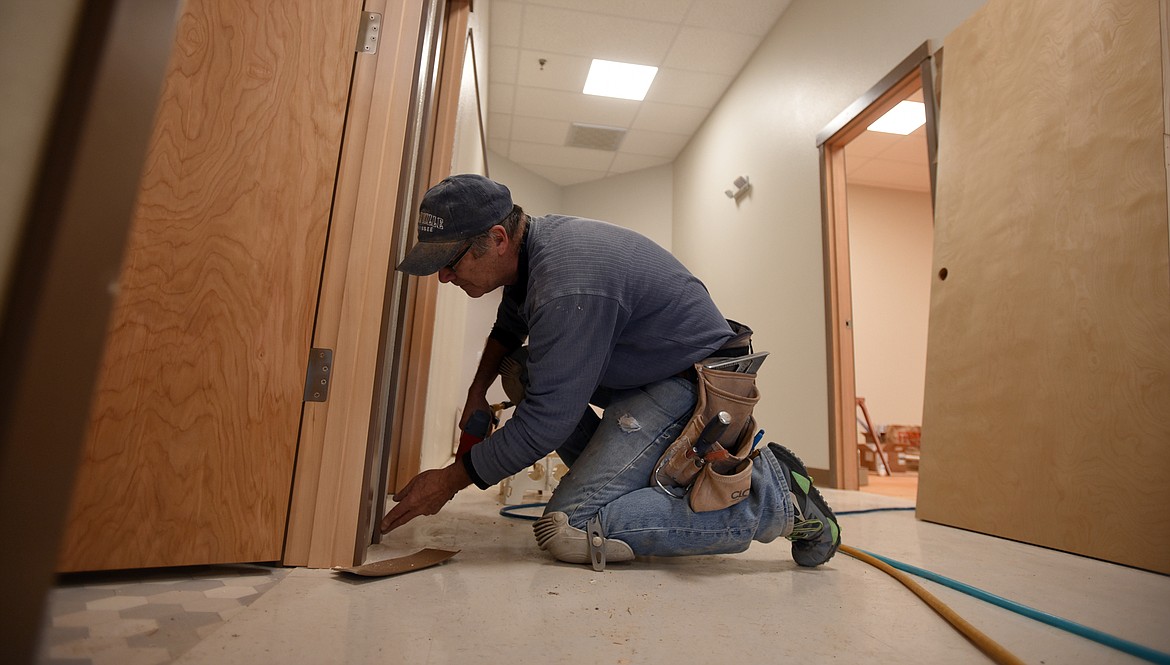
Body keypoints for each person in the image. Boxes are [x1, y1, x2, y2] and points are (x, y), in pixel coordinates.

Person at [379, 174, 839, 569]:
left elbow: (546, 422)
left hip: (693, 387)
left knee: (570, 528)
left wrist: (452, 478)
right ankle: (646, 486)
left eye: (450, 262)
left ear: (498, 239)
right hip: (649, 380)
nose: (443, 276)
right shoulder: (533, 253)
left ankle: (776, 499)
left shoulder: (566, 282)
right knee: (520, 368)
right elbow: (509, 326)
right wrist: (477, 392)